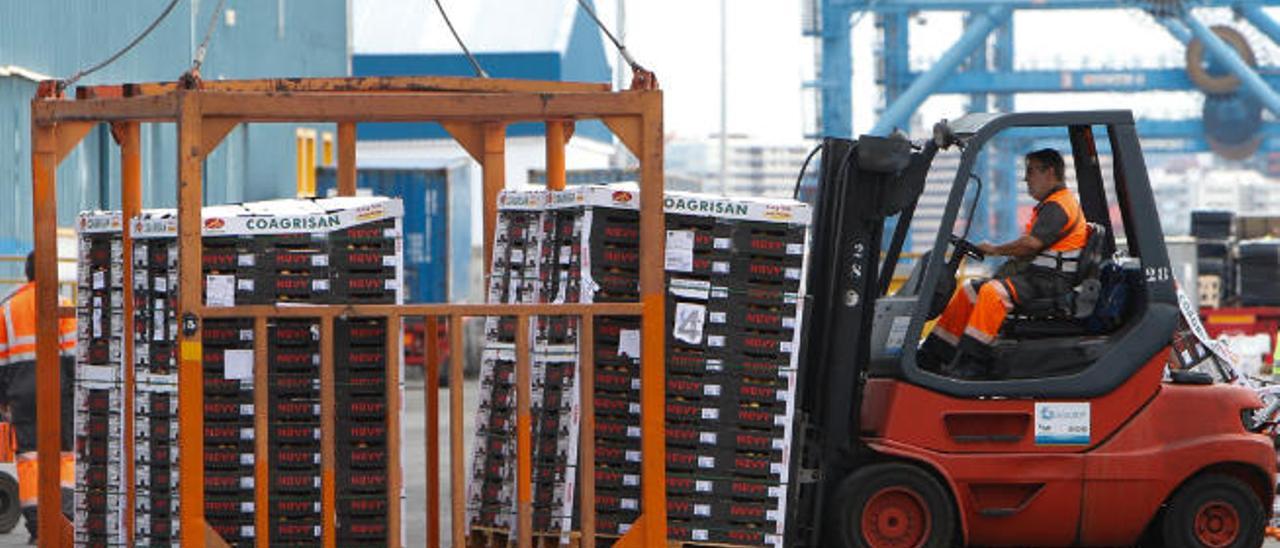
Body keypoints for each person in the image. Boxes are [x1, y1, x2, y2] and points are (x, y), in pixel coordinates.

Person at [919, 148, 1088, 380]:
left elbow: (1030, 245)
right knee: (970, 291)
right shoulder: (1053, 204)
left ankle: (973, 362)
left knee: (993, 293)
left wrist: (995, 250)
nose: (1026, 178)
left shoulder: (1059, 205)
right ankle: (934, 354)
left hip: (1050, 282)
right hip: (1037, 277)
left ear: (1050, 172)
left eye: (1030, 171)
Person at [0, 252, 75, 544]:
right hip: (58, 389)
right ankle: (63, 518)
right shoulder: (62, 305)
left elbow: (1, 358)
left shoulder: (8, 308)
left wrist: (3, 398)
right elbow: (72, 355)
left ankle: (38, 524)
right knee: (63, 454)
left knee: (29, 457)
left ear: (27, 273)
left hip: (20, 391)